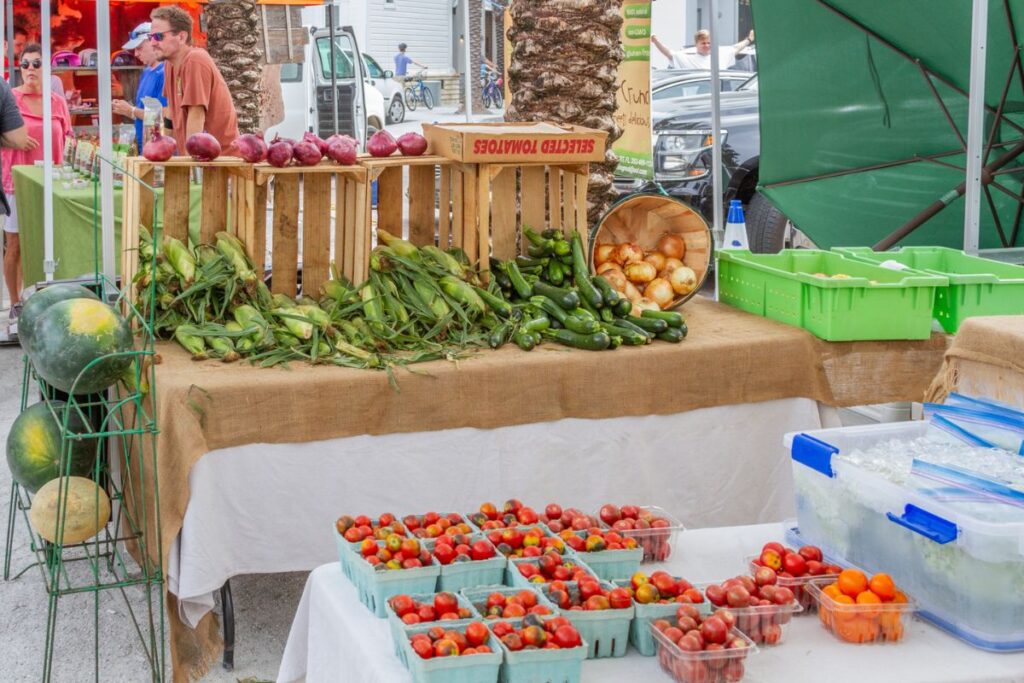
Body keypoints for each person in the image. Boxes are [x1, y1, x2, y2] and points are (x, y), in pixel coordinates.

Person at [1, 44, 71, 314]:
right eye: (25, 64)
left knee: (49, 240)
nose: (30, 69)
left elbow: (68, 139)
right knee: (16, 243)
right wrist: (13, 140)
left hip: (51, 181)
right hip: (16, 181)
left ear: (47, 68)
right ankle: (16, 302)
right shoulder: (9, 98)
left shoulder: (57, 102)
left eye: (36, 63)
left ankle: (48, 296)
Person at [149, 6, 238, 153]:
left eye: (158, 36)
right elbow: (171, 111)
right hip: (199, 159)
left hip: (219, 161)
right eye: (150, 37)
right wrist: (162, 148)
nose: (152, 42)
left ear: (181, 37)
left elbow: (196, 114)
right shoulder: (169, 64)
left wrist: (192, 165)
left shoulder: (195, 60)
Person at [111, 22, 166, 149]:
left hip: (159, 149)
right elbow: (145, 114)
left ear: (153, 43)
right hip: (145, 147)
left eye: (139, 48)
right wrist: (128, 111)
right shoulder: (146, 71)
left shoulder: (164, 73)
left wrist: (131, 110)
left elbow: (163, 117)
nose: (136, 54)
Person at [652, 29, 754, 71]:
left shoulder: (720, 54)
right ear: (696, 44)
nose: (706, 45)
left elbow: (735, 48)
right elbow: (669, 53)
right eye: (703, 43)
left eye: (709, 43)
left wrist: (749, 39)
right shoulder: (688, 58)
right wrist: (656, 41)